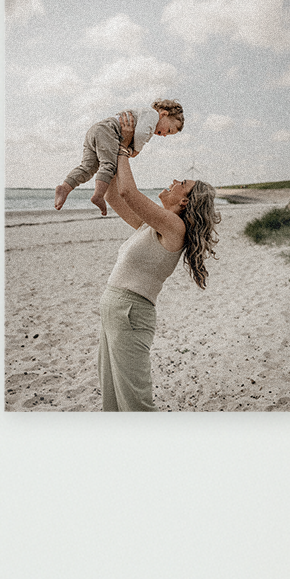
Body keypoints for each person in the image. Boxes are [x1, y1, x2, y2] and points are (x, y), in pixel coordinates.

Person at [95, 151, 220, 412]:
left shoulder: (175, 227)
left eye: (182, 184)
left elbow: (129, 192)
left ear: (185, 201)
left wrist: (123, 152)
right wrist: (111, 150)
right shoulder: (151, 224)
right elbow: (113, 195)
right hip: (115, 312)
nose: (174, 180)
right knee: (112, 399)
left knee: (135, 403)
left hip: (130, 314)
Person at [55, 99, 186, 215]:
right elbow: (140, 134)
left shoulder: (142, 114)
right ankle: (98, 195)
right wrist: (136, 150)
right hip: (109, 131)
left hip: (96, 130)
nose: (164, 135)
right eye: (168, 130)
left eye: (167, 135)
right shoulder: (152, 116)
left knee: (88, 167)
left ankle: (65, 187)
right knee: (109, 165)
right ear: (163, 114)